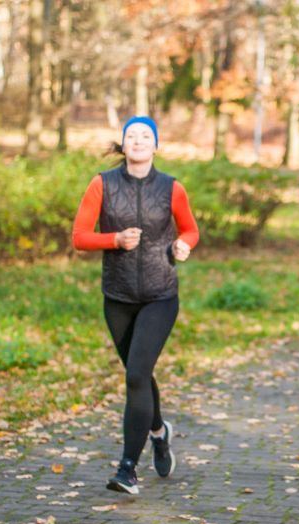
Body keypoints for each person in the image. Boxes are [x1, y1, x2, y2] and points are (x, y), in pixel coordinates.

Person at [71, 116, 199, 494]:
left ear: (155, 145)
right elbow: (80, 236)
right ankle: (159, 432)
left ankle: (127, 468)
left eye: (146, 136)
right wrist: (114, 240)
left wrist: (184, 245)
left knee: (135, 376)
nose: (139, 141)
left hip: (161, 295)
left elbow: (189, 227)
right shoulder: (102, 184)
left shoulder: (172, 188)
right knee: (139, 374)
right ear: (124, 145)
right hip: (119, 296)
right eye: (132, 136)